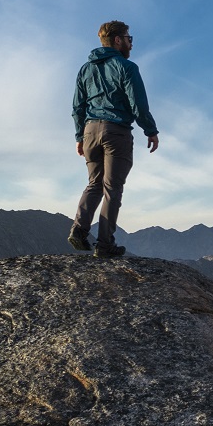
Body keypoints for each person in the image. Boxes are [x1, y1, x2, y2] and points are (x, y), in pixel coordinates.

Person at [68, 20, 159, 258]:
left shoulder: (85, 69)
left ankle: (79, 230)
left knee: (94, 184)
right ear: (118, 40)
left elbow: (78, 106)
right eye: (129, 38)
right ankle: (105, 244)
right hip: (115, 132)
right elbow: (138, 103)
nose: (131, 42)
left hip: (89, 132)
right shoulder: (126, 67)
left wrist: (80, 136)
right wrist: (150, 130)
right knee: (112, 188)